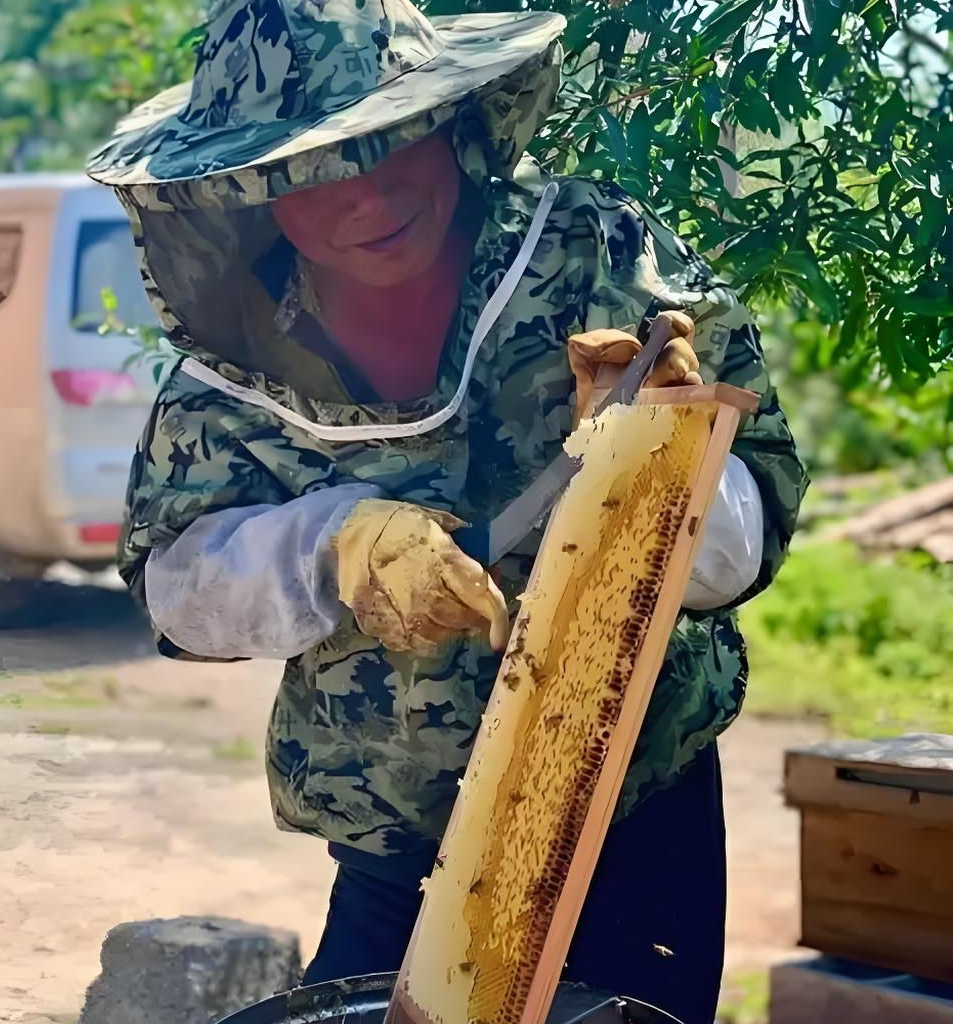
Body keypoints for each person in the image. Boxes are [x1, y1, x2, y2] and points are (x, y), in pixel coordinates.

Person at [87, 2, 807, 1021]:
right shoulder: (232, 367)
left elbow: (748, 538)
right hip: (396, 838)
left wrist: (665, 453)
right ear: (252, 190)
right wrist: (328, 545)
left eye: (390, 141)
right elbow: (176, 588)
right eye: (313, 166)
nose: (365, 193)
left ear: (448, 121)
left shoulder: (597, 258)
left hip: (638, 799)